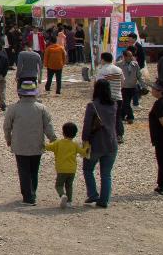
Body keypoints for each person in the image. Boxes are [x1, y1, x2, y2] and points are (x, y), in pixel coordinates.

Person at [3, 80, 56, 205]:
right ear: (34, 94)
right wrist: (53, 139)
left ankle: (27, 196)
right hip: (36, 144)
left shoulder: (13, 108)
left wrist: (8, 139)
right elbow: (48, 126)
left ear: (20, 94)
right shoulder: (41, 108)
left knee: (23, 170)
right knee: (34, 170)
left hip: (19, 144)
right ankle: (33, 193)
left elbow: (7, 126)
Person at [82, 78, 120, 208]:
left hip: (96, 143)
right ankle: (104, 200)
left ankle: (93, 195)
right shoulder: (114, 104)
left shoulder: (92, 106)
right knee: (106, 174)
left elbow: (87, 126)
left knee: (87, 169)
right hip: (111, 143)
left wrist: (84, 140)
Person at [43, 121, 87, 208]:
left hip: (61, 169)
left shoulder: (58, 143)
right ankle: (69, 202)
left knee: (58, 185)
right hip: (72, 169)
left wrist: (41, 143)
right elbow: (83, 153)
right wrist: (86, 147)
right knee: (69, 185)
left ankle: (62, 195)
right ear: (74, 134)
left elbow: (47, 147)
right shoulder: (75, 144)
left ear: (63, 133)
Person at [150, 82, 163, 195]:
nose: (152, 90)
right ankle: (161, 185)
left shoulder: (159, 104)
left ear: (160, 91)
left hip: (162, 139)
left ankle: (162, 186)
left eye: (154, 88)